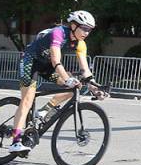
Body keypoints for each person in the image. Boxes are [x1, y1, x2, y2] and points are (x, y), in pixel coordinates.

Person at [8, 10, 101, 152]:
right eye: (84, 28)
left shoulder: (81, 44)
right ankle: (15, 142)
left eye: (89, 30)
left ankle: (45, 110)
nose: (86, 33)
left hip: (46, 67)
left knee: (76, 86)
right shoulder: (59, 33)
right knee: (27, 100)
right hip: (30, 61)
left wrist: (95, 87)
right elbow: (56, 61)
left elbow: (85, 70)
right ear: (74, 25)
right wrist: (67, 78)